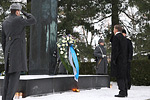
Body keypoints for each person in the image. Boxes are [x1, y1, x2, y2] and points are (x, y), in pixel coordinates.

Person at [1, 3, 36, 100]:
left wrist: (6, 52)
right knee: (14, 79)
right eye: (19, 12)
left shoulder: (5, 22)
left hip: (8, 52)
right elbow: (33, 20)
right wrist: (25, 13)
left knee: (7, 78)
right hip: (17, 53)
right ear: (17, 11)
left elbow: (3, 40)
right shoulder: (18, 20)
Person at [110, 25, 128, 97]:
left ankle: (122, 92)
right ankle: (125, 91)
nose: (113, 31)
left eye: (114, 29)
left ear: (116, 30)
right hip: (124, 59)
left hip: (118, 60)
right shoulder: (124, 38)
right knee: (124, 76)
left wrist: (114, 59)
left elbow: (115, 50)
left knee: (119, 76)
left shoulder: (116, 38)